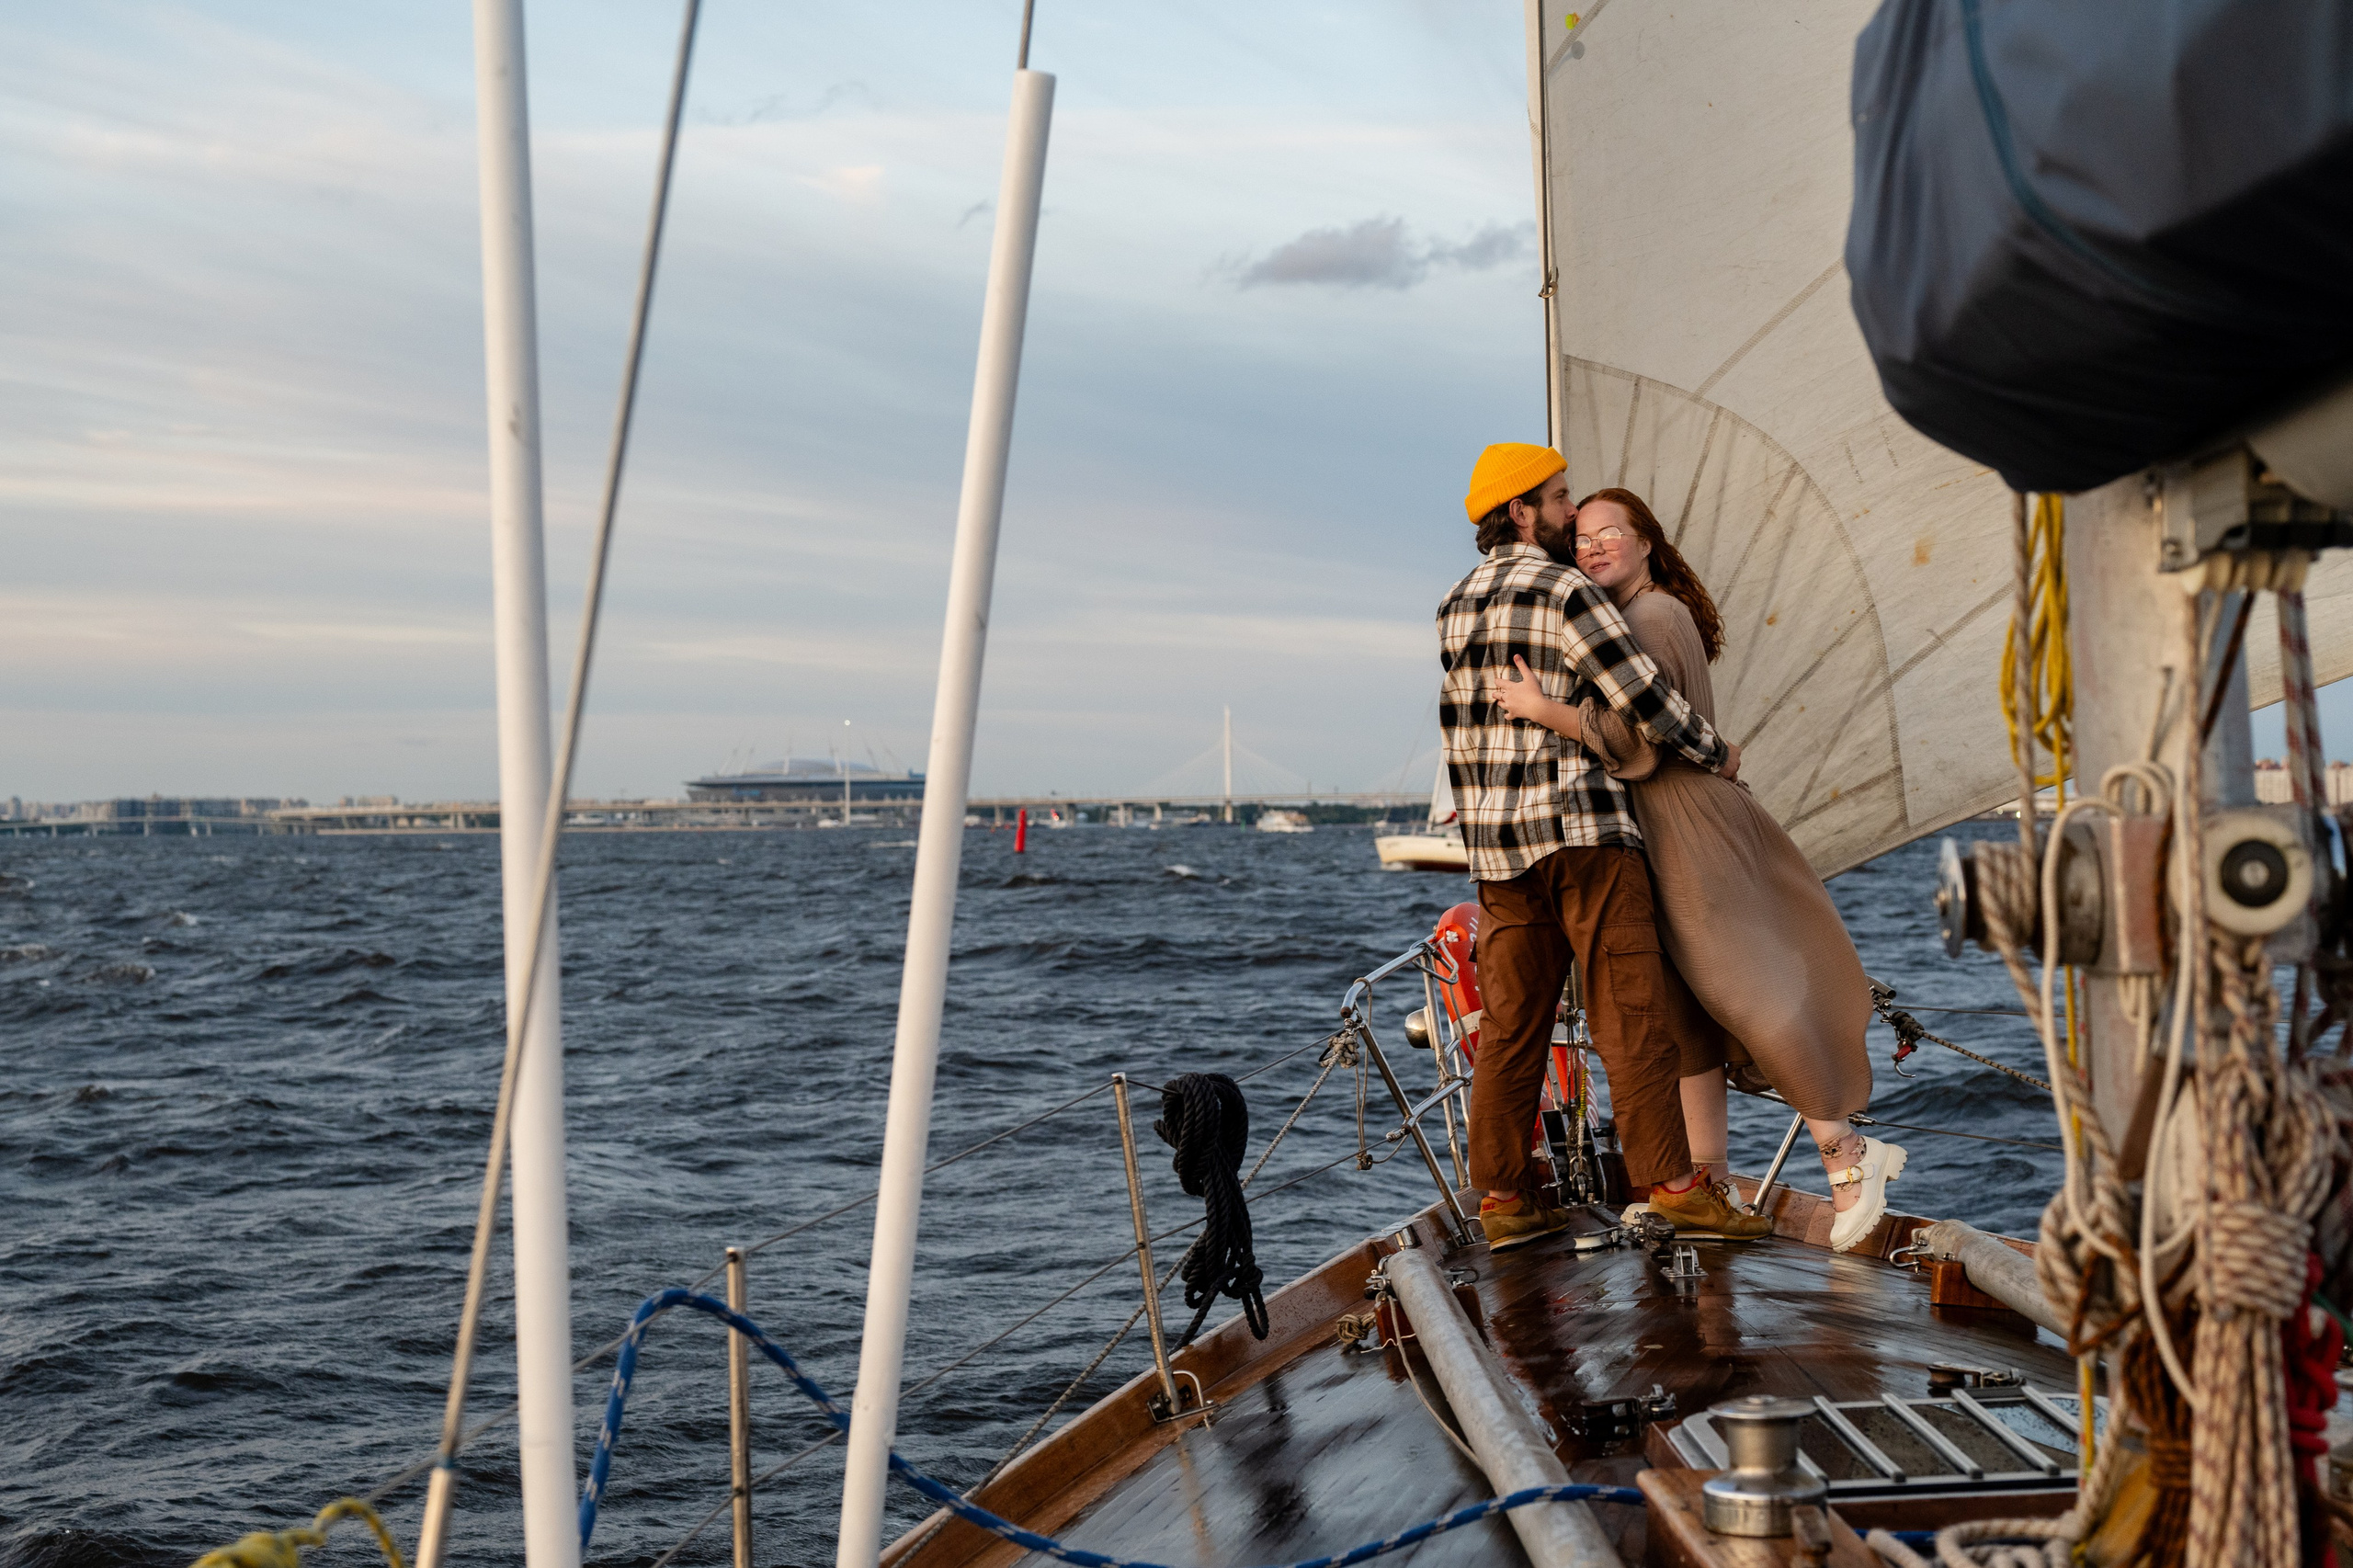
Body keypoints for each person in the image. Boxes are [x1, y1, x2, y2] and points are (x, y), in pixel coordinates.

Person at [1491, 486, 1905, 1253]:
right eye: (1582, 538)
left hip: (1688, 827)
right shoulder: (1617, 623)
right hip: (1650, 835)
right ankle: (1704, 1181)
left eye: (1612, 532)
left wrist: (1543, 709)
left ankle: (1850, 1158)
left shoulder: (1654, 616)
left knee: (1747, 990)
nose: (1595, 547)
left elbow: (1640, 739)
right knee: (1682, 1019)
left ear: (1648, 542)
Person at [1438, 444, 1770, 1250]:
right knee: (1631, 1015)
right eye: (1557, 500)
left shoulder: (1452, 605)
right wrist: (1716, 751)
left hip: (1500, 854)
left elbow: (1462, 730)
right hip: (1585, 837)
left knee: (1512, 1027)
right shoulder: (1566, 589)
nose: (1568, 512)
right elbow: (1644, 698)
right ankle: (1678, 1187)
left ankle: (1505, 1203)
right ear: (1520, 511)